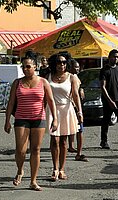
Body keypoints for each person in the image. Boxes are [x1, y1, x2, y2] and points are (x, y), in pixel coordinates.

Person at [4, 55, 57, 191]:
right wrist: (7, 120)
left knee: (35, 149)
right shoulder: (17, 82)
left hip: (38, 119)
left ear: (35, 67)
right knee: (21, 150)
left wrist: (55, 119)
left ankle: (33, 181)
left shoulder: (43, 82)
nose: (25, 69)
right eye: (23, 67)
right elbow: (11, 102)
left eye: (28, 66)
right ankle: (20, 170)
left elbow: (51, 101)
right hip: (21, 118)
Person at [46, 53, 83, 181]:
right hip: (52, 110)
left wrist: (80, 112)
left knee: (63, 141)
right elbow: (44, 95)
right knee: (54, 140)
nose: (61, 65)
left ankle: (62, 169)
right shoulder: (48, 77)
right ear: (54, 64)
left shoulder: (71, 77)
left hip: (66, 110)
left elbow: (76, 95)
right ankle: (55, 168)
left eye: (63, 62)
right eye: (58, 62)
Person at [67, 59, 88, 162]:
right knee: (75, 130)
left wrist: (81, 89)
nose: (78, 68)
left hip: (75, 107)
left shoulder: (75, 77)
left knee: (78, 129)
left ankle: (76, 150)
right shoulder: (68, 77)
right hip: (71, 107)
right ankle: (74, 150)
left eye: (78, 67)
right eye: (75, 67)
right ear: (70, 67)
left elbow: (78, 89)